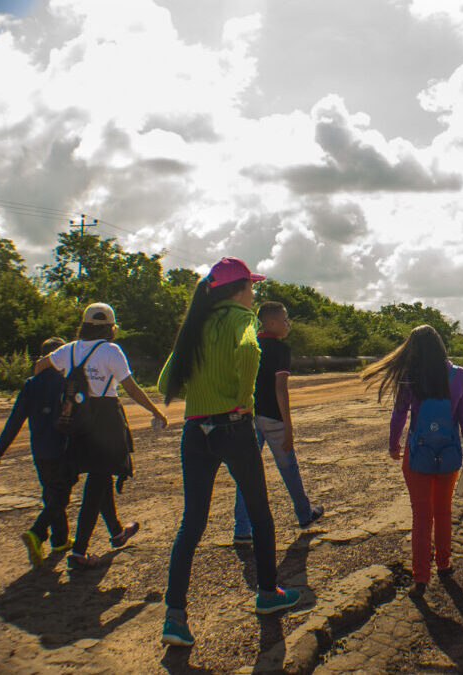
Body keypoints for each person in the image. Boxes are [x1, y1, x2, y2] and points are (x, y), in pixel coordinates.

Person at [157, 257, 300, 648]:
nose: (253, 293)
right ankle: (268, 595)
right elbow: (250, 352)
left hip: (195, 430)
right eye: (251, 286)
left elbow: (165, 382)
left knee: (192, 523)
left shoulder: (196, 323)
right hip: (233, 426)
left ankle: (174, 617)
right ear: (240, 289)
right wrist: (241, 400)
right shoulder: (242, 318)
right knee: (260, 514)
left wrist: (202, 390)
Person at [34, 303, 167, 569]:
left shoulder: (69, 349)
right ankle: (79, 551)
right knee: (97, 483)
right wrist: (155, 411)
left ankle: (117, 532)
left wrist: (57, 393)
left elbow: (39, 366)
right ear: (110, 327)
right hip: (106, 420)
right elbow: (131, 388)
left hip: (78, 419)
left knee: (100, 477)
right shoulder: (111, 351)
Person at [362, 325, 463, 599]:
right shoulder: (460, 376)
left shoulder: (409, 377)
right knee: (443, 511)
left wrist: (393, 445)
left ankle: (421, 577)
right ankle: (444, 564)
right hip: (449, 456)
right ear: (440, 346)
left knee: (421, 517)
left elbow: (398, 415)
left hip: (417, 457)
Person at [232, 301, 323, 545]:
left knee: (247, 473)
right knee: (288, 467)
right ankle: (304, 514)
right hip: (273, 417)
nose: (288, 324)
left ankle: (241, 529)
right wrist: (288, 426)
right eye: (284, 320)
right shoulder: (280, 350)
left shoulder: (249, 345)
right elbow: (280, 389)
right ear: (271, 323)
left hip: (248, 416)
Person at [0, 337, 72, 566]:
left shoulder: (31, 383)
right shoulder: (66, 383)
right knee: (60, 497)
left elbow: (15, 419)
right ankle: (36, 533)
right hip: (61, 449)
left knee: (51, 494)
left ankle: (60, 541)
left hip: (40, 451)